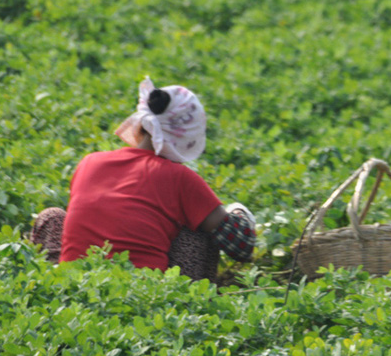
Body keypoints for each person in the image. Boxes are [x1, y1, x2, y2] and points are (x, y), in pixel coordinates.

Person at [29, 77, 256, 282]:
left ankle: (47, 284)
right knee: (196, 234)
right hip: (142, 295)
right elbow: (241, 246)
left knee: (53, 216)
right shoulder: (180, 178)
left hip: (74, 286)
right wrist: (239, 213)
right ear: (187, 137)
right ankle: (190, 303)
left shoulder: (89, 162)